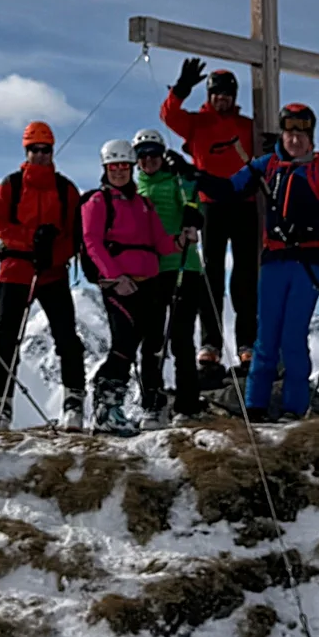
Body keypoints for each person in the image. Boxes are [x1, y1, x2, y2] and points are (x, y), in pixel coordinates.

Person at [209, 102, 319, 421]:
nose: (295, 138)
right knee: (266, 334)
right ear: (282, 134)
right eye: (290, 132)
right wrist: (195, 176)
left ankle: (294, 407)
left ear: (311, 136)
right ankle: (255, 407)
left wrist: (305, 229)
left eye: (302, 132)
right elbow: (231, 187)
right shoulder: (267, 164)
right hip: (273, 257)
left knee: (292, 334)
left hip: (308, 259)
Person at [161, 60, 260, 385]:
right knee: (211, 274)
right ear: (209, 95)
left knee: (246, 275)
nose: (222, 99)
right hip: (210, 206)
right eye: (216, 93)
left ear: (234, 96)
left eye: (227, 94)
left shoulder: (249, 126)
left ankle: (247, 344)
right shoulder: (197, 122)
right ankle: (211, 345)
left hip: (246, 204)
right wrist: (181, 88)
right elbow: (168, 116)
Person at [0, 120, 88, 431]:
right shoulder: (11, 185)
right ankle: (1, 405)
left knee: (67, 337)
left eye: (45, 149)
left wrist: (53, 254)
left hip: (52, 272)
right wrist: (33, 239)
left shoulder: (66, 189)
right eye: (34, 149)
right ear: (26, 150)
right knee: (7, 339)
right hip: (15, 270)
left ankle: (73, 401)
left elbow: (75, 234)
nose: (40, 155)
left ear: (52, 150)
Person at [81, 138, 182, 435]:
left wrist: (181, 240)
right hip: (119, 285)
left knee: (151, 345)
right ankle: (106, 408)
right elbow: (92, 243)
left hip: (148, 283)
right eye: (114, 167)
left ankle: (144, 402)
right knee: (124, 344)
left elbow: (161, 243)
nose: (119, 172)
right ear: (105, 168)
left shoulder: (143, 204)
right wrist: (114, 276)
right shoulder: (98, 202)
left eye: (124, 166)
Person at [131, 128, 205, 423]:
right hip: (149, 272)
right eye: (143, 155)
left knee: (181, 338)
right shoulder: (134, 190)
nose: (149, 160)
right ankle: (153, 402)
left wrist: (192, 212)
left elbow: (194, 196)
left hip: (183, 266)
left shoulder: (177, 181)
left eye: (154, 154)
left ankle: (187, 405)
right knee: (151, 340)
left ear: (163, 155)